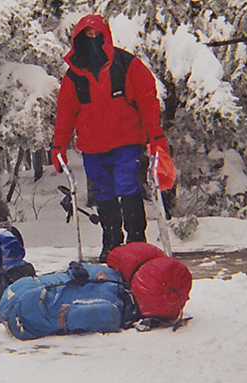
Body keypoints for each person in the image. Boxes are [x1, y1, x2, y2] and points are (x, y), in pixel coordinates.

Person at [52, 14, 172, 262]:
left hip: (126, 142)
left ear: (105, 35)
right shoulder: (74, 75)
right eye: (87, 36)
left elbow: (148, 102)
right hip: (92, 147)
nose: (93, 39)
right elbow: (65, 112)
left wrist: (155, 137)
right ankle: (112, 242)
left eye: (97, 35)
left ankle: (136, 240)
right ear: (78, 39)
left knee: (128, 187)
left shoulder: (126, 64)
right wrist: (58, 146)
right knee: (104, 194)